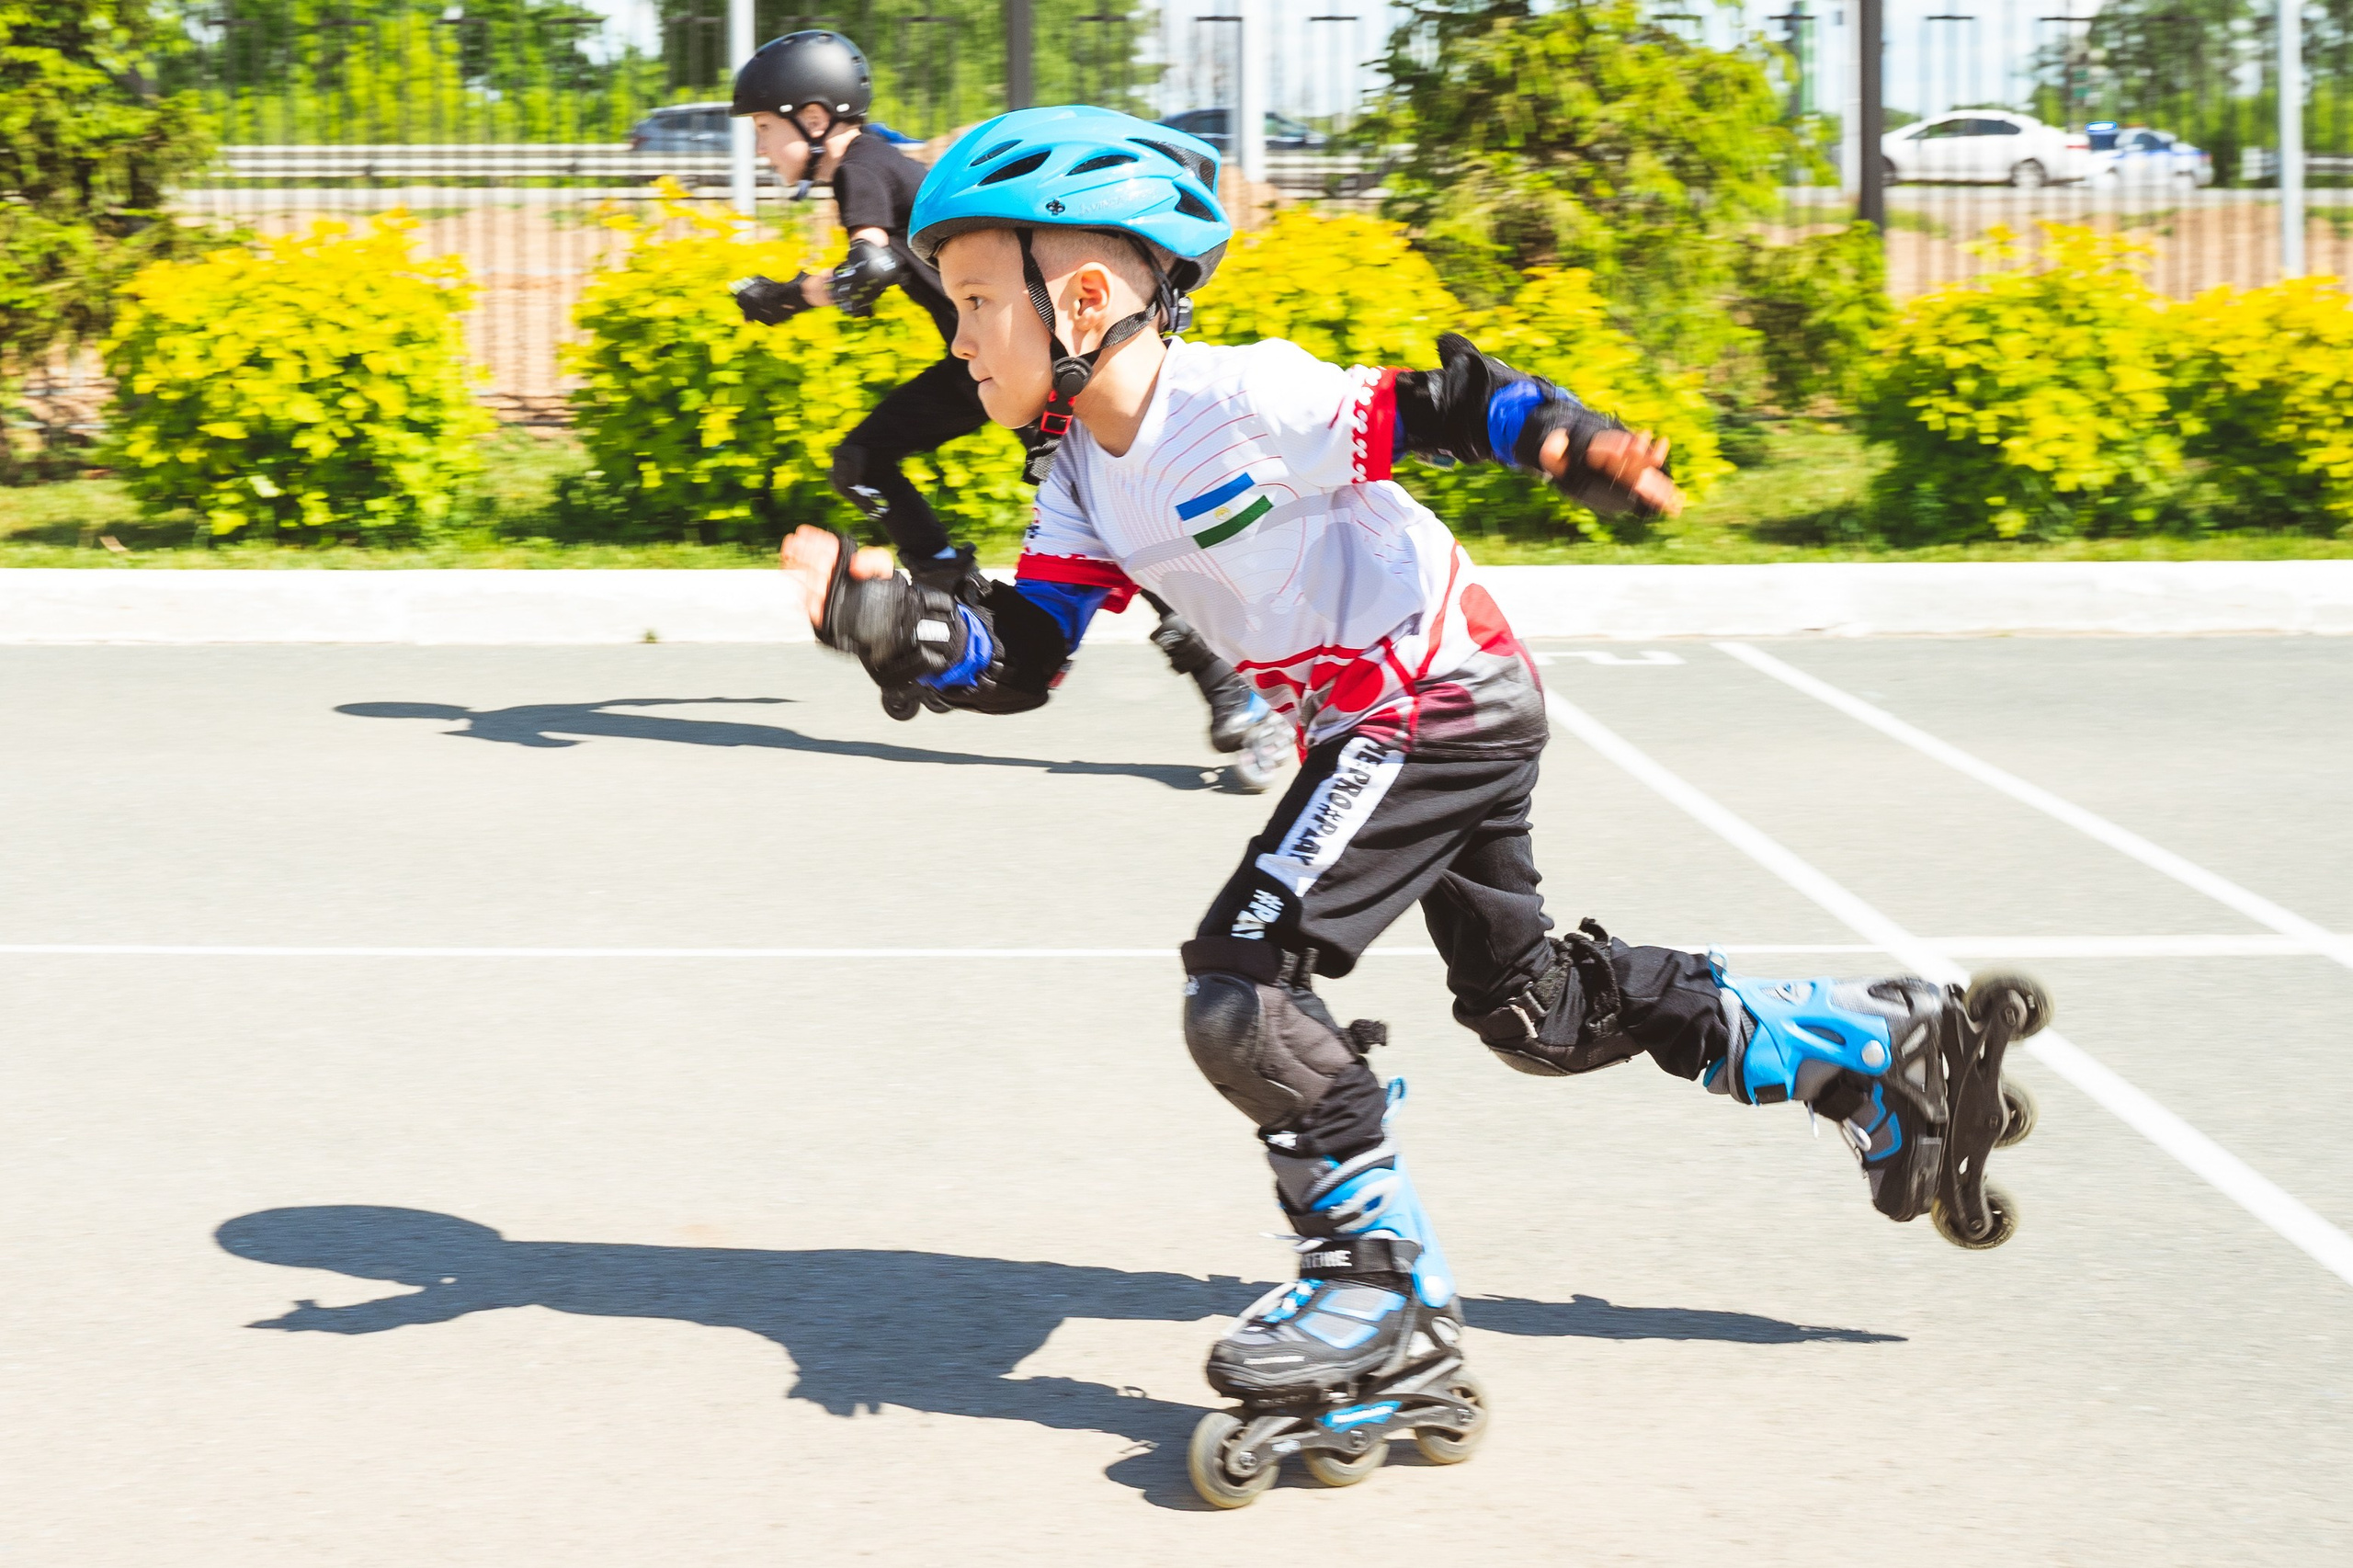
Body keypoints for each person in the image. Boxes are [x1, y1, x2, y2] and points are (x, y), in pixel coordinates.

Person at [776, 105, 2051, 1505]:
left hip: (1431, 695)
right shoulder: (1078, 472)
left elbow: (1437, 408)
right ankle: (1872, 1046)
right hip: (1408, 710)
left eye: (970, 304)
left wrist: (1571, 440)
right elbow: (1026, 656)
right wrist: (895, 623)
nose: (954, 340)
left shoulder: (1240, 400)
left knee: (1242, 988)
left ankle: (1381, 1296)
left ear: (1083, 298)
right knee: (1536, 1013)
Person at [724, 33, 1288, 787]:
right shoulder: (878, 164)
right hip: (987, 362)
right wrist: (798, 293)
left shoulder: (859, 165)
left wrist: (786, 295)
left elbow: (873, 261)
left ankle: (1239, 690)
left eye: (766, 128)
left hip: (1025, 359)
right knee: (870, 461)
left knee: (1119, 522)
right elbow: (881, 262)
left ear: (818, 117)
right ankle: (948, 599)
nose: (762, 148)